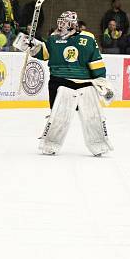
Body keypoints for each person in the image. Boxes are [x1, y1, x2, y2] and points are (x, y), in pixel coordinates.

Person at [14, 11, 112, 156]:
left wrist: (102, 82)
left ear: (73, 23)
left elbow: (96, 61)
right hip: (59, 82)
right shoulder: (53, 38)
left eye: (64, 22)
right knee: (59, 116)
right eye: (60, 21)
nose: (60, 25)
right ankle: (50, 144)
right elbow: (45, 53)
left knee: (93, 116)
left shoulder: (88, 38)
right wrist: (31, 45)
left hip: (84, 82)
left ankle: (99, 144)